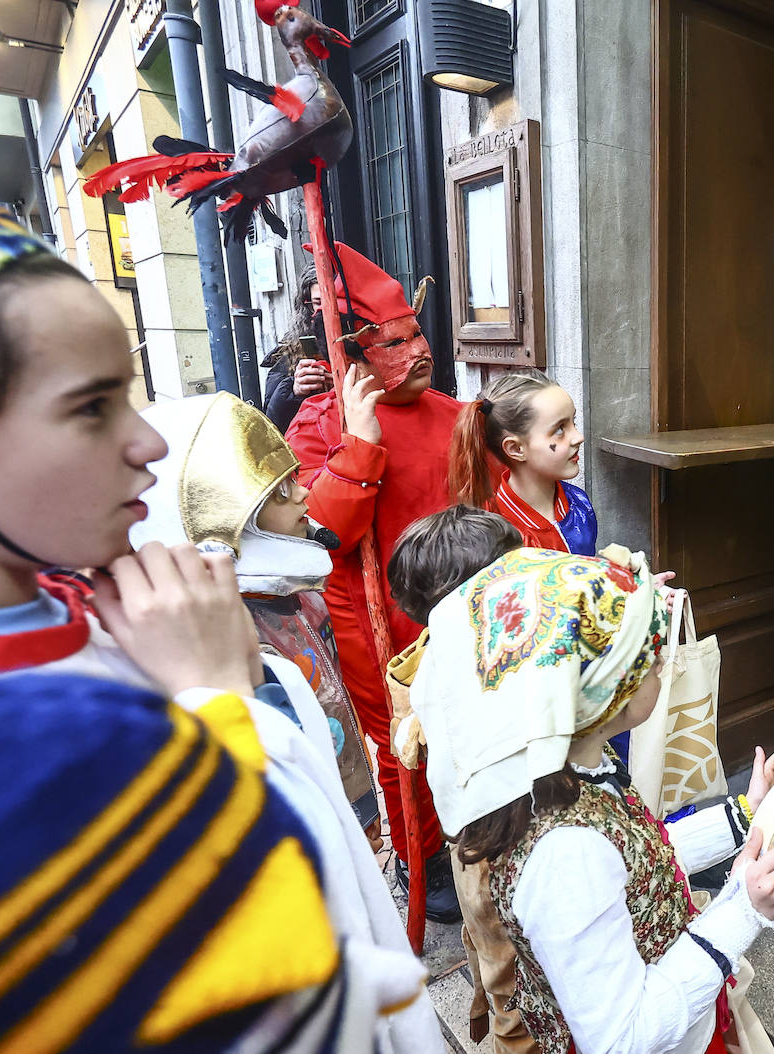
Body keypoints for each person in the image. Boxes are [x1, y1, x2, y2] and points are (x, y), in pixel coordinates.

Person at [0, 183, 438, 1050]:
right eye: (89, 406)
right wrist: (227, 705)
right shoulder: (6, 751)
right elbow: (288, 1003)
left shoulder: (112, 609)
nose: (148, 442)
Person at [409, 545, 774, 1054]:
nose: (662, 663)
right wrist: (743, 909)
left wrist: (739, 817)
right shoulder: (564, 856)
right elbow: (623, 1037)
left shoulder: (574, 767)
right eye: (646, 659)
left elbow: (635, 859)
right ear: (600, 694)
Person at [286, 240, 463, 922]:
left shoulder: (452, 414)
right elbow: (318, 535)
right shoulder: (318, 423)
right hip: (374, 621)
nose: (418, 351)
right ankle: (426, 858)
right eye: (394, 343)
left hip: (451, 606)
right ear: (356, 354)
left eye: (417, 334)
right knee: (403, 743)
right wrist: (359, 443)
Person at [130, 392, 380, 834]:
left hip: (340, 788)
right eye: (281, 490)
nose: (304, 493)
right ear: (226, 513)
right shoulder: (221, 630)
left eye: (295, 478)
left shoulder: (295, 589)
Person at [387, 506, 536, 1052]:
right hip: (492, 847)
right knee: (508, 978)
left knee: (492, 951)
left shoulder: (478, 650)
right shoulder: (453, 670)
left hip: (486, 839)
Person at [449, 370, 596, 554]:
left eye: (573, 422)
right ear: (516, 449)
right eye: (559, 430)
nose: (578, 437)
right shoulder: (491, 531)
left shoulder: (578, 503)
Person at [263, 264, 332, 432]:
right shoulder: (290, 352)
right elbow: (271, 424)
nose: (326, 310)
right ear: (307, 305)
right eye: (318, 303)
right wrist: (294, 390)